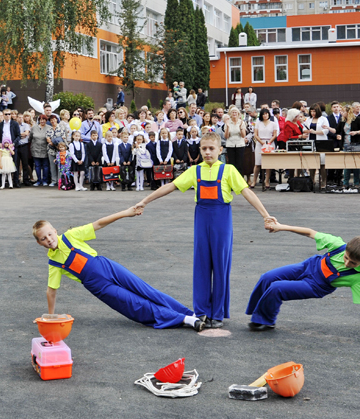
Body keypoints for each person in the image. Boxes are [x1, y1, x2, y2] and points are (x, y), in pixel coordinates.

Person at [136, 132, 275, 329]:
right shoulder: (195, 171)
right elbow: (171, 186)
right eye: (204, 149)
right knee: (201, 266)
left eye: (212, 148)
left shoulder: (229, 170)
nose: (208, 152)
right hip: (201, 219)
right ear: (200, 150)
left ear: (220, 150)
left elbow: (247, 192)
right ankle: (201, 312)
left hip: (221, 220)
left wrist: (265, 215)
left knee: (220, 265)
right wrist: (144, 201)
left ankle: (217, 313)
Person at [34, 207, 205, 331]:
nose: (49, 239)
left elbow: (99, 224)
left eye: (50, 234)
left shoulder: (71, 236)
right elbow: (51, 291)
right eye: (43, 238)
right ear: (39, 243)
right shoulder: (54, 263)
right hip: (99, 286)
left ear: (55, 231)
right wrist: (50, 316)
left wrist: (126, 213)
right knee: (136, 305)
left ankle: (190, 313)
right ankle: (186, 320)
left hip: (107, 266)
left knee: (146, 290)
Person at [245, 221, 360, 345]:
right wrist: (281, 227)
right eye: (346, 258)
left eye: (353, 263)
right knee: (267, 277)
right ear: (346, 248)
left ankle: (265, 321)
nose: (347, 263)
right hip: (308, 266)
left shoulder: (359, 278)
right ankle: (257, 310)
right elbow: (309, 232)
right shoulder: (338, 244)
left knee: (276, 288)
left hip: (316, 286)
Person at [251, 107, 279, 190]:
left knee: (268, 164)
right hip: (260, 143)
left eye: (266, 114)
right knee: (257, 163)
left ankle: (267, 181)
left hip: (270, 143)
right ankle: (254, 180)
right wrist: (262, 142)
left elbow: (274, 134)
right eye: (263, 114)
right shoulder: (258, 123)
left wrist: (269, 142)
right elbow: (255, 135)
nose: (265, 115)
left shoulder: (273, 123)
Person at [0, 109, 22, 188]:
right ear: (3, 115)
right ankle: (2, 182)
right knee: (3, 164)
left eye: (9, 114)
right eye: (6, 114)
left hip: (12, 147)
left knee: (14, 164)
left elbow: (18, 136)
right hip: (3, 148)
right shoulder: (0, 125)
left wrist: (13, 144)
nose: (7, 116)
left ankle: (15, 182)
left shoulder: (15, 124)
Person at [30, 114, 50, 187]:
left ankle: (45, 180)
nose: (42, 121)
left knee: (45, 165)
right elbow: (30, 138)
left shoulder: (49, 128)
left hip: (45, 149)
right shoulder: (34, 127)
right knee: (37, 166)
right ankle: (38, 180)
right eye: (41, 119)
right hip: (35, 149)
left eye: (44, 119)